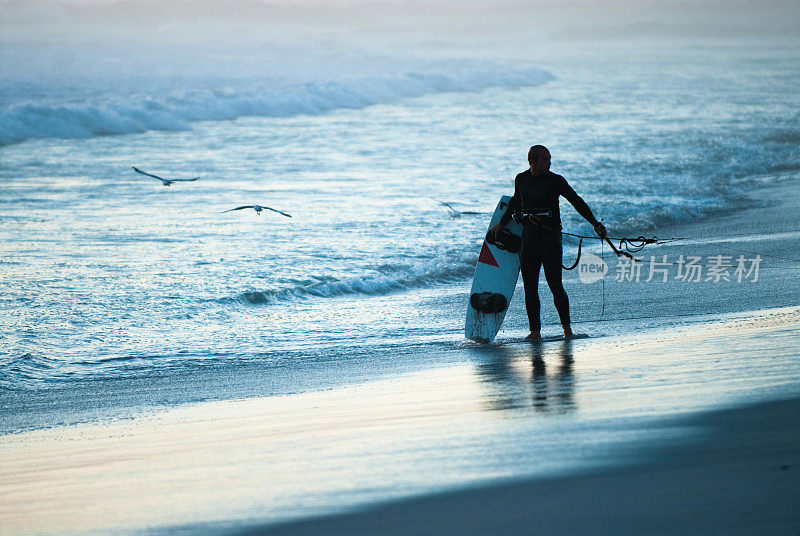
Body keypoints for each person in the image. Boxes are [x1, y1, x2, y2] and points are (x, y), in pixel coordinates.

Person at [490, 145, 607, 341]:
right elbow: (514, 203)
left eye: (549, 158)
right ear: (532, 162)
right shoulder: (521, 179)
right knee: (530, 287)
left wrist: (594, 223)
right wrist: (501, 224)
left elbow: (576, 201)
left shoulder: (555, 181)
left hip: (550, 239)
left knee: (555, 285)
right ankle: (535, 332)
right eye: (545, 159)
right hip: (528, 240)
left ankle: (567, 331)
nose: (549, 162)